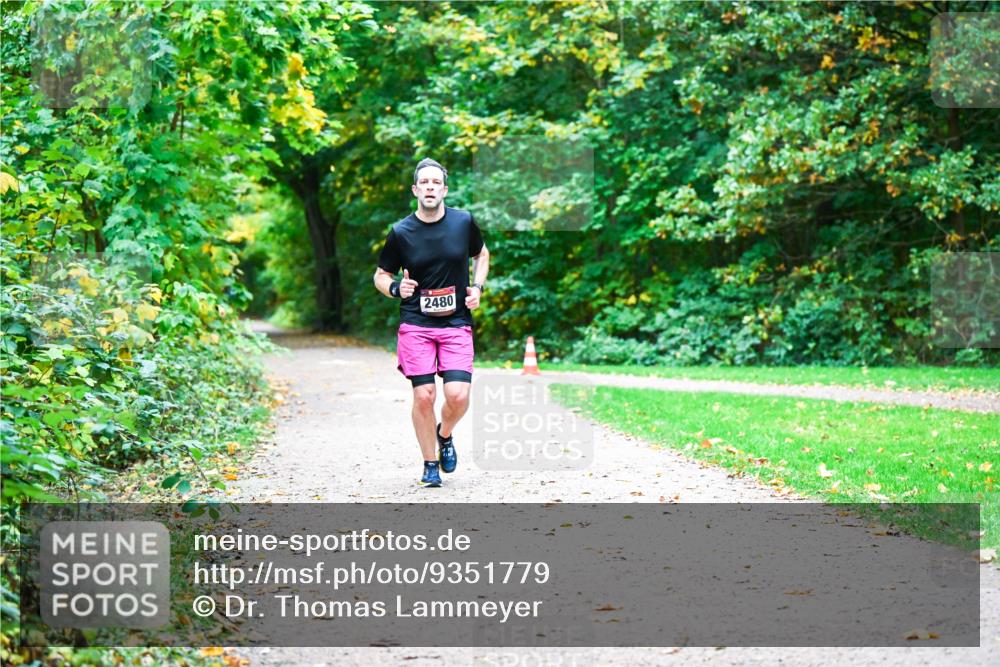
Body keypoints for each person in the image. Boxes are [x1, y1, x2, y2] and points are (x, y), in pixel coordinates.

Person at [373, 158, 490, 487]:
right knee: (424, 395)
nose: (430, 187)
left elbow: (482, 255)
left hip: (456, 322)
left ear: (444, 190)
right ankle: (429, 464)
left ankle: (445, 434)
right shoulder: (401, 232)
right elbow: (381, 275)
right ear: (415, 190)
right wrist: (395, 288)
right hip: (416, 323)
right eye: (424, 182)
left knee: (458, 395)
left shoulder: (463, 222)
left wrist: (477, 288)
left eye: (435, 183)